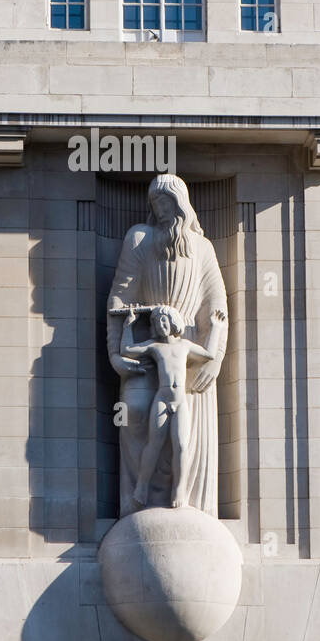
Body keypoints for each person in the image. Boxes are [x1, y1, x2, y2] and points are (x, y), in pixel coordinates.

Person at [107, 174, 229, 516]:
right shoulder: (139, 238)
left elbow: (216, 303)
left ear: (180, 203)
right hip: (147, 349)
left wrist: (215, 358)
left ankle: (184, 502)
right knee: (134, 414)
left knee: (184, 440)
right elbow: (120, 295)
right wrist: (115, 352)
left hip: (188, 353)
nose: (159, 210)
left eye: (165, 202)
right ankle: (139, 500)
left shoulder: (203, 248)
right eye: (154, 204)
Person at [121, 304, 227, 509]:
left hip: (180, 401)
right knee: (154, 443)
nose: (160, 325)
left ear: (172, 322)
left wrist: (215, 327)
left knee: (181, 445)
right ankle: (142, 486)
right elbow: (127, 350)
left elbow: (209, 354)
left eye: (163, 320)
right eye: (156, 322)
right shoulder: (154, 346)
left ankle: (179, 489)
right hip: (162, 398)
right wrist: (128, 326)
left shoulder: (184, 345)